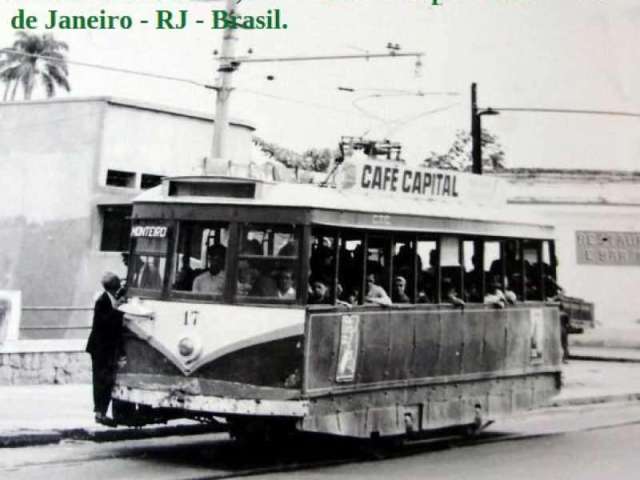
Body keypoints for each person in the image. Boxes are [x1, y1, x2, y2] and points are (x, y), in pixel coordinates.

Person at [86, 272, 124, 424]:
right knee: (102, 380)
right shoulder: (102, 301)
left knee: (104, 380)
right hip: (101, 349)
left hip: (104, 348)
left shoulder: (109, 299)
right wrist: (118, 310)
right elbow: (106, 323)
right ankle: (100, 412)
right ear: (115, 286)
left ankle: (101, 411)